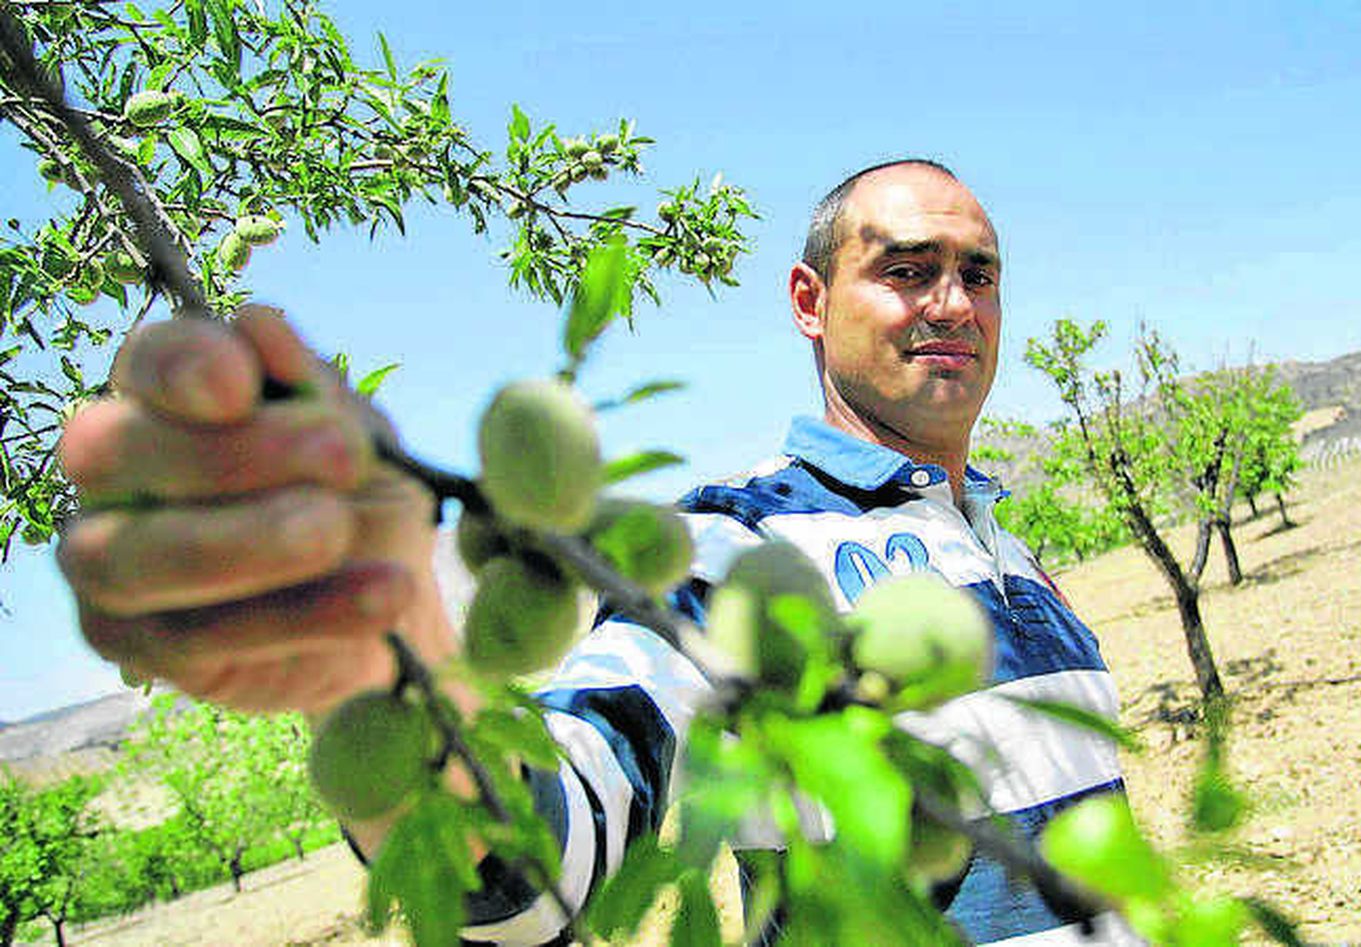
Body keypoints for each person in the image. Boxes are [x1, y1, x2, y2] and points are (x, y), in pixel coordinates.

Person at [56, 159, 1136, 945]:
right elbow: (544, 865)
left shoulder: (1004, 536)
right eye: (907, 268)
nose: (952, 303)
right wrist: (393, 671)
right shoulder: (740, 547)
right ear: (810, 302)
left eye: (978, 274)